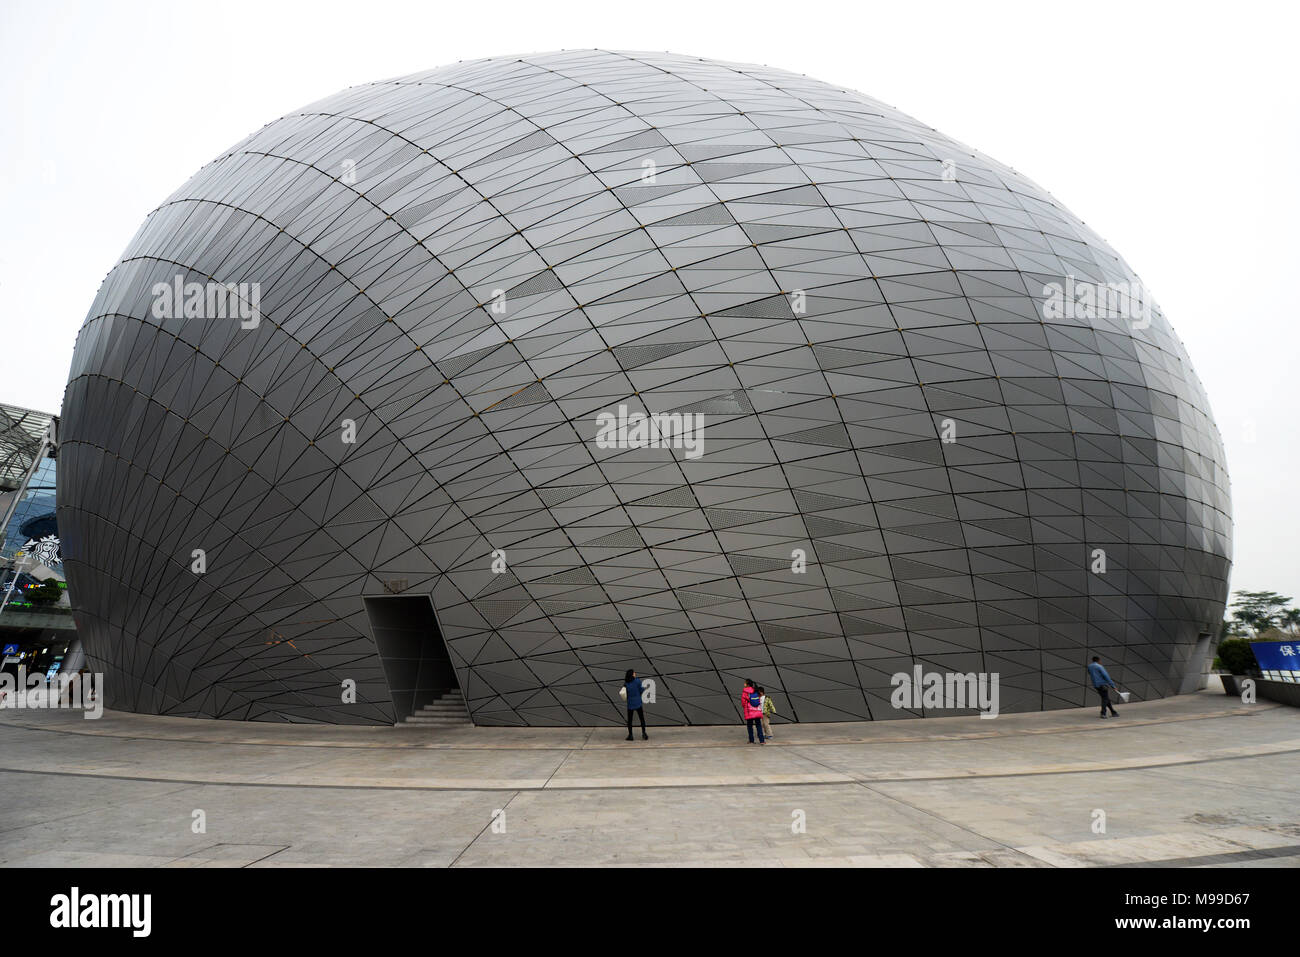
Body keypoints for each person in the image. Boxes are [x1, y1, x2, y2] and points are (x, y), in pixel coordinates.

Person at [624, 669, 648, 741]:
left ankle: (630, 735)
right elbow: (642, 690)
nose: (635, 673)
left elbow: (625, 693)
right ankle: (644, 733)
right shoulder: (637, 681)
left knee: (630, 720)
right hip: (638, 703)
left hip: (630, 703)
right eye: (634, 673)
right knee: (641, 719)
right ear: (632, 674)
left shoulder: (626, 683)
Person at [742, 678, 765, 744]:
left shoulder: (745, 691)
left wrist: (745, 707)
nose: (744, 684)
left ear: (747, 684)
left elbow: (743, 702)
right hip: (757, 710)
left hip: (749, 711)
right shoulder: (756, 690)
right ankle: (762, 741)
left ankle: (751, 740)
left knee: (749, 726)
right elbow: (759, 699)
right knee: (758, 725)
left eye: (745, 683)